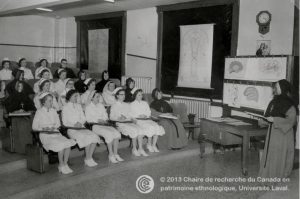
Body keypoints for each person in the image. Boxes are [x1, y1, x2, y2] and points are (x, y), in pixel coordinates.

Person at [258, 79, 297, 178]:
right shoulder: (273, 102)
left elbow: (291, 121)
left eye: (277, 87)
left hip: (283, 135)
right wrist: (263, 120)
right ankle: (267, 175)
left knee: (278, 156)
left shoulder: (290, 104)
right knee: (271, 155)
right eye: (275, 87)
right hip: (272, 134)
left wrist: (275, 120)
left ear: (283, 88)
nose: (275, 89)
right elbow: (269, 117)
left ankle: (278, 176)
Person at [32, 92, 76, 174]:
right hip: (45, 135)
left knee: (67, 143)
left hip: (55, 133)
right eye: (49, 101)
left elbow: (58, 124)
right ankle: (61, 165)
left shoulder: (53, 111)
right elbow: (34, 127)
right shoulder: (39, 112)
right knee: (60, 145)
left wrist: (53, 127)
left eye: (52, 101)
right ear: (43, 102)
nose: (51, 103)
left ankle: (65, 164)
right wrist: (44, 128)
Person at [62, 89, 101, 167]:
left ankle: (89, 158)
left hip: (81, 127)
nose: (76, 98)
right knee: (86, 138)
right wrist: (74, 124)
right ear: (69, 97)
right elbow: (64, 122)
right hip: (71, 129)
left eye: (77, 96)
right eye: (74, 96)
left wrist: (80, 123)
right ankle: (87, 158)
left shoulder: (78, 106)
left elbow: (83, 118)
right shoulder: (65, 107)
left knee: (94, 136)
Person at [85, 91, 123, 163]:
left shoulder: (101, 105)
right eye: (97, 97)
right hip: (95, 125)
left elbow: (105, 115)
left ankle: (115, 154)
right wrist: (98, 120)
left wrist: (104, 120)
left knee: (117, 133)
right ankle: (111, 155)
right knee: (109, 134)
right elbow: (88, 119)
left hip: (104, 124)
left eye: (99, 96)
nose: (98, 98)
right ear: (92, 98)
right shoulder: (88, 107)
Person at [110, 87, 148, 157]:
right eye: (121, 94)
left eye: (124, 94)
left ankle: (140, 148)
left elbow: (130, 115)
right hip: (120, 124)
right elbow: (111, 117)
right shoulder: (114, 105)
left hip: (128, 122)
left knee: (140, 129)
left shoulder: (127, 105)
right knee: (134, 130)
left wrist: (131, 118)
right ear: (117, 96)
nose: (123, 96)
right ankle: (134, 149)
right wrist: (118, 118)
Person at [3, 81, 36, 154]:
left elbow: (32, 108)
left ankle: (29, 147)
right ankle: (22, 149)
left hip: (25, 116)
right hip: (15, 118)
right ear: (15, 87)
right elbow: (8, 110)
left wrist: (27, 111)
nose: (20, 88)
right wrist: (16, 111)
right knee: (23, 125)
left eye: (21, 86)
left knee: (31, 122)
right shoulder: (11, 97)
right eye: (18, 86)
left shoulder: (25, 96)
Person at [130, 88, 165, 153]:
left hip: (146, 119)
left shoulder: (145, 103)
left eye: (141, 95)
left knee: (156, 126)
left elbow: (148, 112)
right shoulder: (132, 104)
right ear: (135, 96)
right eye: (139, 95)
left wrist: (145, 115)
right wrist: (139, 115)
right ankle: (148, 144)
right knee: (150, 127)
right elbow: (132, 114)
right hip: (139, 120)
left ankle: (153, 145)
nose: (141, 96)